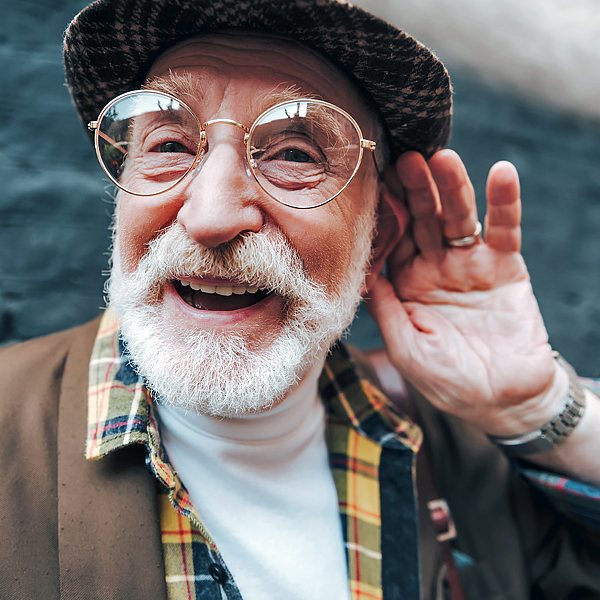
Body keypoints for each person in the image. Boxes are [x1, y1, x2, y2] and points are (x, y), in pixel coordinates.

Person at [1, 0, 599, 598]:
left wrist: (541, 408)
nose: (212, 215)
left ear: (375, 242)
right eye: (169, 145)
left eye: (294, 155)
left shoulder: (461, 459)